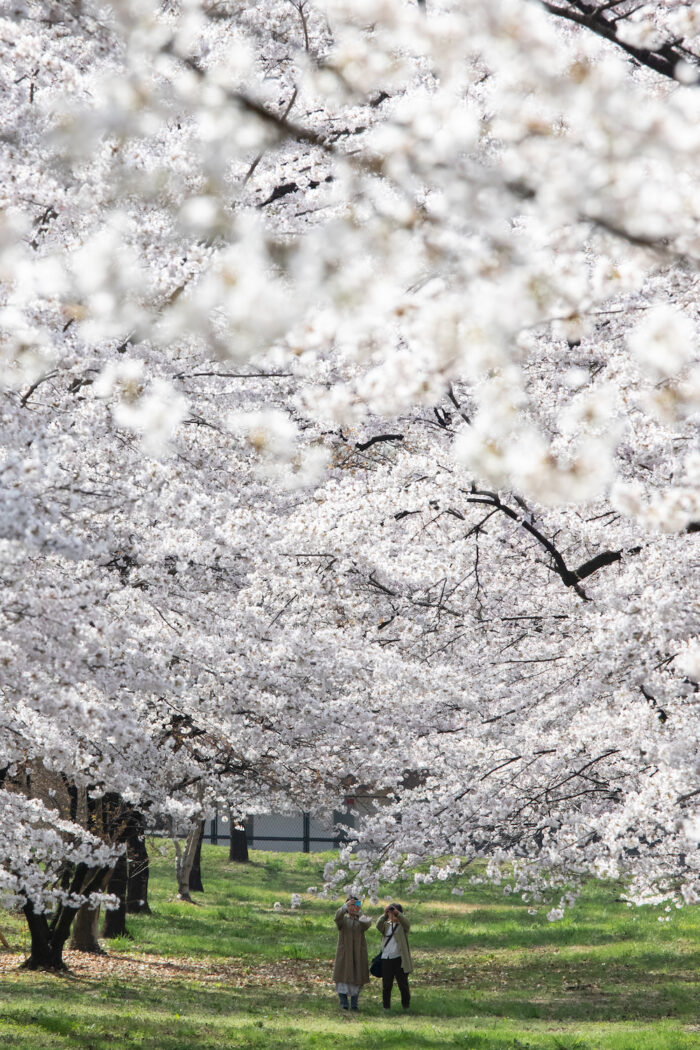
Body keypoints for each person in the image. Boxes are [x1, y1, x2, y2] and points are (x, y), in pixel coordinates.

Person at [333, 896, 372, 1011]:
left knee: (357, 976)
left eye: (355, 905)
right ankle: (343, 1002)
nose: (353, 907)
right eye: (351, 905)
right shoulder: (343, 920)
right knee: (342, 976)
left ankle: (354, 1003)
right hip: (345, 953)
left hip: (358, 953)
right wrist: (345, 907)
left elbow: (366, 924)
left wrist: (358, 912)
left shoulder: (361, 920)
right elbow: (337, 918)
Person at [376, 902, 412, 1011]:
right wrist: (385, 914)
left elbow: (407, 924)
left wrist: (398, 914)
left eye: (395, 913)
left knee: (403, 984)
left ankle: (406, 1005)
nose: (393, 916)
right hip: (386, 958)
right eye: (391, 913)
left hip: (399, 959)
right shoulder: (386, 926)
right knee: (387, 985)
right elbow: (378, 925)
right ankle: (386, 1006)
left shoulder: (402, 927)